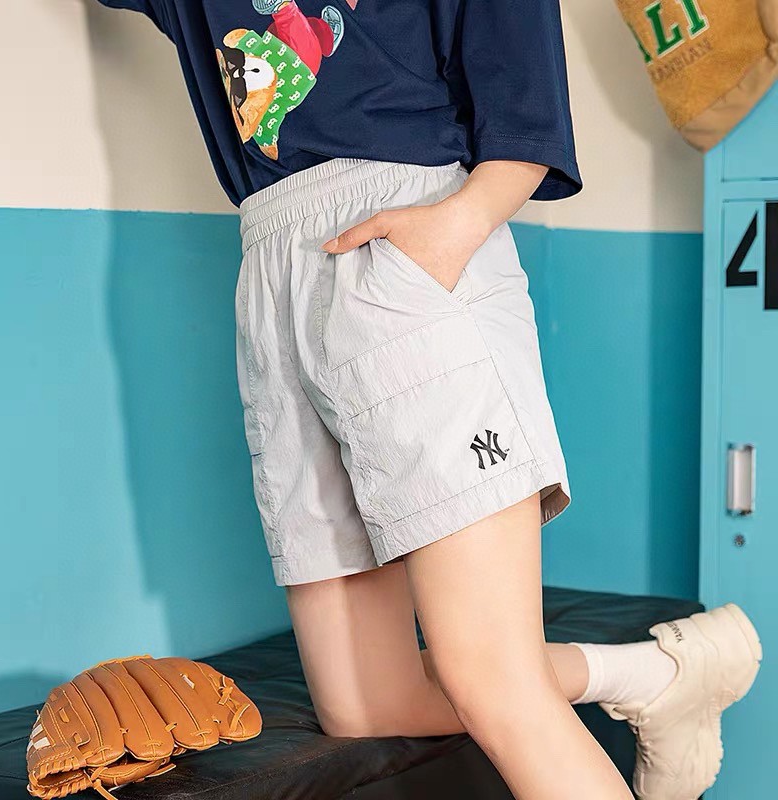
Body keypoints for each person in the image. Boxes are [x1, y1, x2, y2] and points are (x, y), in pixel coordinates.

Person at [92, 1, 762, 798]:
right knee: (365, 704)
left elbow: (525, 100)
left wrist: (455, 228)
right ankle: (654, 675)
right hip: (272, 260)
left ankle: (658, 677)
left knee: (494, 683)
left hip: (406, 240)